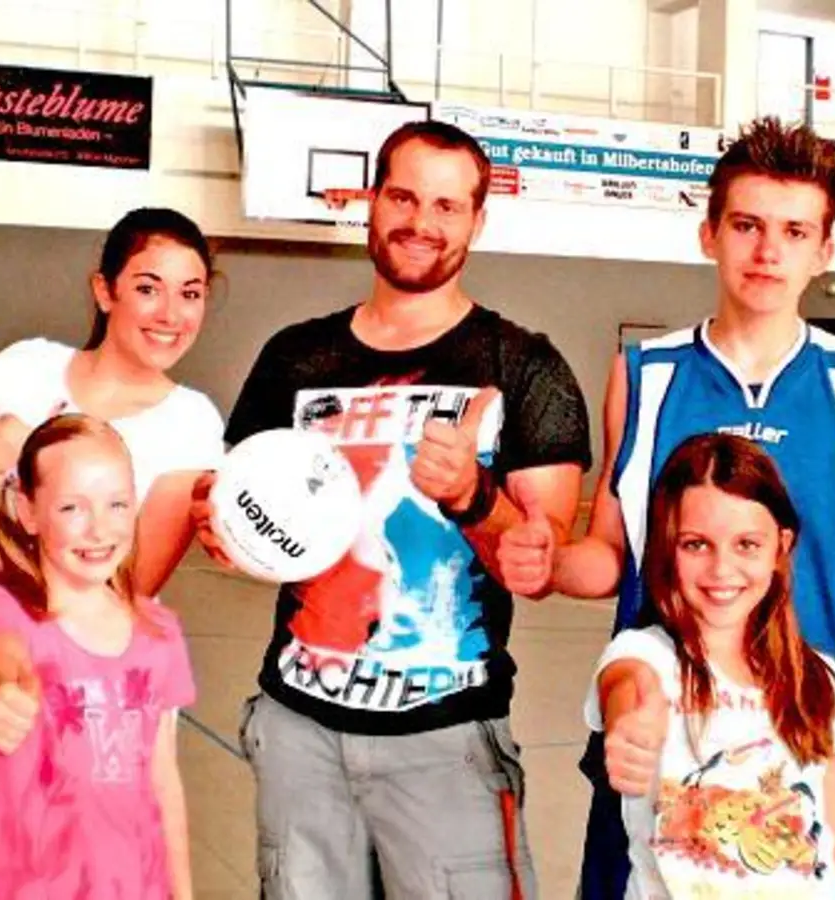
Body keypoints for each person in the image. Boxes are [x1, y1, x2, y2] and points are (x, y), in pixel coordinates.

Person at [495, 116, 835, 898]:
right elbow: (612, 555)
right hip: (655, 721)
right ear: (710, 234)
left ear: (824, 252)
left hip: (798, 734)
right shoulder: (647, 373)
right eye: (748, 225)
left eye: (795, 231)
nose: (769, 251)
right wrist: (547, 562)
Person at [191, 119, 593, 899]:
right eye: (404, 196)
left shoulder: (525, 366)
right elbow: (243, 513)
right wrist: (227, 530)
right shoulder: (294, 357)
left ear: (477, 220)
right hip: (298, 730)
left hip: (447, 740)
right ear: (371, 202)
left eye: (447, 205)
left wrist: (474, 497)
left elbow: (536, 562)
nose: (421, 221)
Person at [0, 207, 226, 899]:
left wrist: (21, 472)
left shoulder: (193, 424)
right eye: (149, 286)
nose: (172, 313)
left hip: (97, 737)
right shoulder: (26, 368)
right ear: (105, 291)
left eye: (192, 293)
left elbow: (124, 596)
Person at [587, 432, 835, 899]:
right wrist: (630, 724)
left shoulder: (824, 682)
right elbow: (628, 686)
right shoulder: (647, 658)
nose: (722, 570)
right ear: (665, 547)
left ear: (782, 546)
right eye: (696, 545)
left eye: (746, 545)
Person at [0, 413, 196, 899]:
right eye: (72, 508)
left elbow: (164, 781)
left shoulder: (159, 632)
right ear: (28, 512)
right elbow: (1, 657)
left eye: (117, 504)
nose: (99, 529)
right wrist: (10, 691)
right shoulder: (1, 608)